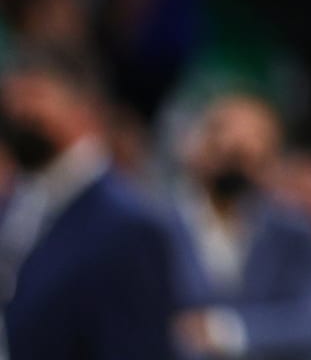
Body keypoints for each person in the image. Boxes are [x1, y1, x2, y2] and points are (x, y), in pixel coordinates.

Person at [0, 46, 179, 360]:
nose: (18, 113)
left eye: (33, 97)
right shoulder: (16, 204)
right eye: (11, 101)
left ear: (85, 108)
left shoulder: (129, 226)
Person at [165, 92, 311, 359]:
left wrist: (226, 331)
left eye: (254, 143)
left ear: (272, 161)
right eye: (220, 133)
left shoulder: (292, 233)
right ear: (193, 142)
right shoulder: (153, 225)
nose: (235, 149)